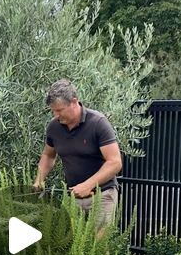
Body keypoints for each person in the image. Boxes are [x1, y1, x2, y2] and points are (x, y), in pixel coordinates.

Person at [33, 79, 122, 234]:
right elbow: (48, 155)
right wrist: (39, 179)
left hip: (102, 195)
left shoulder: (98, 123)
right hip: (73, 197)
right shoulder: (54, 127)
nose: (56, 115)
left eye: (59, 110)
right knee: (71, 247)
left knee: (97, 249)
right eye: (53, 111)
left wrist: (88, 185)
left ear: (74, 102)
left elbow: (115, 162)